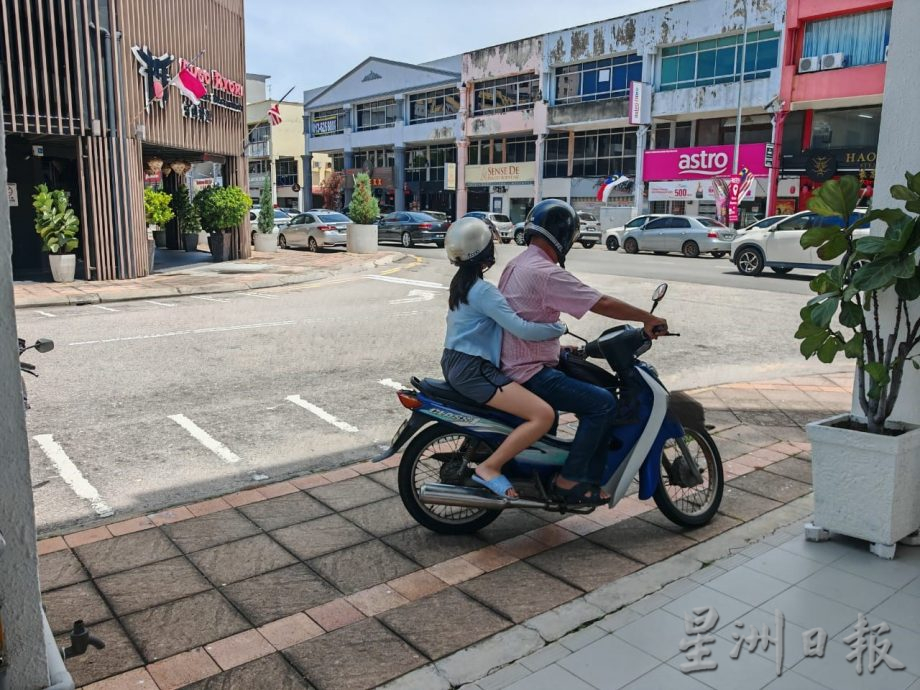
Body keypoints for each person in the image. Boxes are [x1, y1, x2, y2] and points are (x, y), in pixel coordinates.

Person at [499, 199, 668, 506]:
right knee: (602, 403)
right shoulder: (546, 272)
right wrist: (648, 318)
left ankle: (552, 465)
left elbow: (525, 316)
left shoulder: (517, 264)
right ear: (563, 236)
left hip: (515, 359)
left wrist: (558, 348)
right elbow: (600, 302)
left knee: (587, 379)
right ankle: (570, 480)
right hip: (530, 371)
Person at [442, 217, 565, 498]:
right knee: (543, 414)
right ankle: (490, 467)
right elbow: (522, 328)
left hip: (455, 361)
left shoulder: (462, 285)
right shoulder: (484, 291)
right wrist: (558, 328)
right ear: (487, 251)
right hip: (473, 369)